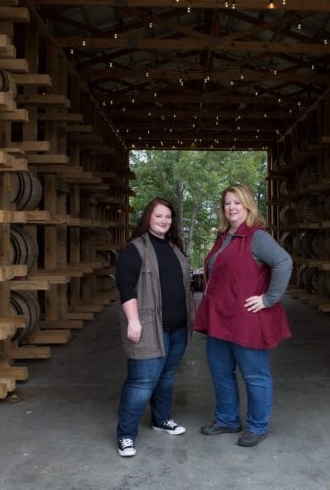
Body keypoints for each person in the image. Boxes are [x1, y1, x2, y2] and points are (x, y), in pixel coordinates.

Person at [194, 183, 293, 447]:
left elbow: (284, 262)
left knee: (254, 375)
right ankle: (227, 419)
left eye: (237, 202)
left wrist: (268, 298)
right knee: (220, 371)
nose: (231, 207)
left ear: (248, 205)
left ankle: (257, 426)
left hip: (246, 320)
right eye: (227, 203)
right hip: (219, 318)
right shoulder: (224, 235)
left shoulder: (257, 237)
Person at [114, 198, 195, 457]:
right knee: (141, 382)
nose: (164, 220)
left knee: (167, 377)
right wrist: (133, 320)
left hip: (178, 328)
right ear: (148, 218)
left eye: (168, 217)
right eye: (159, 215)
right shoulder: (134, 249)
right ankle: (125, 435)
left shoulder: (174, 248)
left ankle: (161, 419)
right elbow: (125, 287)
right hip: (149, 327)